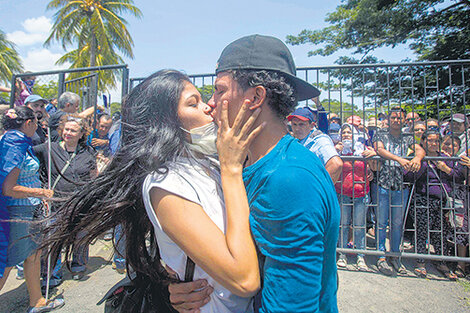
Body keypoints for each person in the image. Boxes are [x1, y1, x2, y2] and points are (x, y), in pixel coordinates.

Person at [40, 69, 262, 313]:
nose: (209, 106)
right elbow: (244, 280)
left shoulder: (209, 161)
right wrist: (230, 170)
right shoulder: (167, 185)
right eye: (193, 103)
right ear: (165, 121)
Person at [172, 34, 340, 313]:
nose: (210, 103)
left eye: (219, 90)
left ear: (256, 97)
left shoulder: (288, 178)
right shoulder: (245, 163)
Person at [0, 107, 64, 312]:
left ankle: (37, 301)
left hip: (27, 209)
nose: (38, 126)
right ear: (28, 123)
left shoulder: (12, 140)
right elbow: (9, 188)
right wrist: (40, 192)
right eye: (36, 122)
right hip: (18, 211)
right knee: (9, 261)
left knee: (33, 254)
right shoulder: (15, 144)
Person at [33, 113, 97, 287]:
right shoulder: (48, 148)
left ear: (81, 133)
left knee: (81, 235)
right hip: (56, 203)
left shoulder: (88, 152)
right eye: (66, 129)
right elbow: (28, 152)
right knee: (53, 239)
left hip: (80, 202)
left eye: (73, 130)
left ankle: (78, 264)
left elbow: (93, 176)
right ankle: (52, 275)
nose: (68, 133)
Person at [404, 131, 465, 280]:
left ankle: (441, 260)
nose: (433, 144)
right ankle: (420, 261)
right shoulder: (418, 158)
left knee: (441, 232)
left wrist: (445, 169)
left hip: (442, 200)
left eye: (437, 141)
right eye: (430, 141)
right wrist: (421, 164)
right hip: (422, 198)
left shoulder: (445, 158)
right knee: (421, 231)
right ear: (423, 142)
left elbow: (459, 176)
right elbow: (408, 177)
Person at [373, 107, 425, 276]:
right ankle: (380, 255)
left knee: (397, 223)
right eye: (393, 117)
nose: (396, 120)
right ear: (389, 119)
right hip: (383, 182)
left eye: (399, 118)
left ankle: (395, 254)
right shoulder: (381, 134)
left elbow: (420, 149)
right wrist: (400, 159)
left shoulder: (408, 136)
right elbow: (379, 150)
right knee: (381, 222)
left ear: (404, 120)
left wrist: (417, 157)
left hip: (401, 184)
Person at [335, 123, 375, 271]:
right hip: (342, 192)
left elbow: (374, 166)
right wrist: (335, 151)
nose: (346, 134)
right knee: (343, 226)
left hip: (361, 192)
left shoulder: (363, 150)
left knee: (359, 226)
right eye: (343, 132)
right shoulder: (337, 150)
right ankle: (342, 255)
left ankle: (361, 256)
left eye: (349, 132)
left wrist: (373, 155)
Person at [288, 107, 343, 182]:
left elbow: (336, 164)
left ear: (312, 126)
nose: (297, 128)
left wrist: (322, 189)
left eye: (301, 124)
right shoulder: (296, 141)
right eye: (294, 124)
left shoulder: (320, 141)